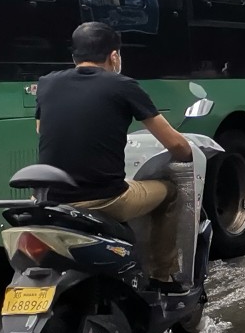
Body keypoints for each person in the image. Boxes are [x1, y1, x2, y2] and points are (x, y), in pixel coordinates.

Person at [34, 21, 193, 285]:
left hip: (50, 199)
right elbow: (176, 146)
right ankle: (162, 277)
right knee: (170, 193)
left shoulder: (47, 83)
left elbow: (42, 130)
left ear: (75, 56)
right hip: (104, 199)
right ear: (114, 56)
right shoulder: (123, 85)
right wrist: (190, 153)